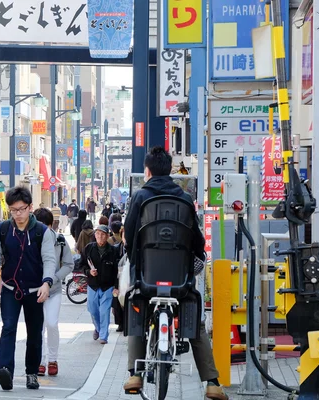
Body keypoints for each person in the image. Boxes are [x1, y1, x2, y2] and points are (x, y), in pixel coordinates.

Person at [122, 146, 228, 400]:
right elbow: (198, 242)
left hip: (146, 280)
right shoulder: (184, 198)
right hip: (180, 282)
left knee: (136, 306)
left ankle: (134, 374)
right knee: (195, 319)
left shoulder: (140, 197)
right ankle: (212, 383)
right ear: (170, 170)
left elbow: (128, 235)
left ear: (147, 171)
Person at [0, 187, 56, 391]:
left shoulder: (42, 231)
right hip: (10, 289)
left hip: (35, 290)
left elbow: (49, 259)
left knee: (34, 332)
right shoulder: (3, 229)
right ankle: (5, 369)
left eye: (22, 209)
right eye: (13, 210)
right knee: (8, 328)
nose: (18, 214)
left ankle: (32, 372)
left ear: (30, 207)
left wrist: (47, 282)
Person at [33, 208, 73, 377]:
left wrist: (54, 279)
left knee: (51, 323)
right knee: (37, 327)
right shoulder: (30, 239)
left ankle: (53, 360)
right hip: (34, 290)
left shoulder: (60, 241)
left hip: (54, 289)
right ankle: (40, 361)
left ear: (51, 225)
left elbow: (69, 264)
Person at [81, 225, 120, 344]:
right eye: (98, 234)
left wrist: (116, 287)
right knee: (92, 310)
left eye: (103, 234)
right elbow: (82, 265)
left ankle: (104, 336)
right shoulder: (89, 248)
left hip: (107, 287)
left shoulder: (113, 251)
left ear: (108, 236)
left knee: (104, 311)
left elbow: (118, 271)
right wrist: (88, 272)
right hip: (93, 285)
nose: (100, 236)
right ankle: (98, 328)